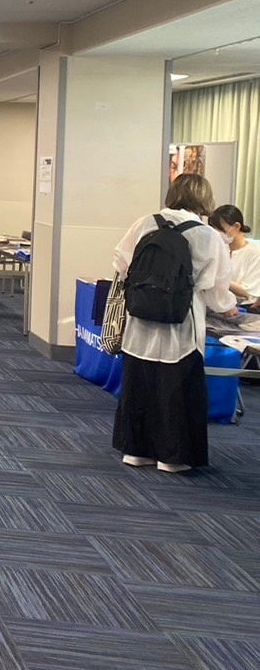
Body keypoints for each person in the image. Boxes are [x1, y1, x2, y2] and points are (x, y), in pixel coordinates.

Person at [113, 174, 238, 473]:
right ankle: (172, 457)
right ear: (204, 198)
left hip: (140, 320)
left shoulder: (145, 223)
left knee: (139, 386)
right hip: (181, 325)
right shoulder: (207, 236)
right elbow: (217, 289)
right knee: (177, 392)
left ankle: (135, 451)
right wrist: (229, 308)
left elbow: (120, 262)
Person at [210, 205, 259, 305]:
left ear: (237, 226)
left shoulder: (255, 253)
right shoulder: (218, 249)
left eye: (221, 229)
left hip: (243, 307)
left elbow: (249, 292)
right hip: (216, 305)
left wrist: (218, 279)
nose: (217, 233)